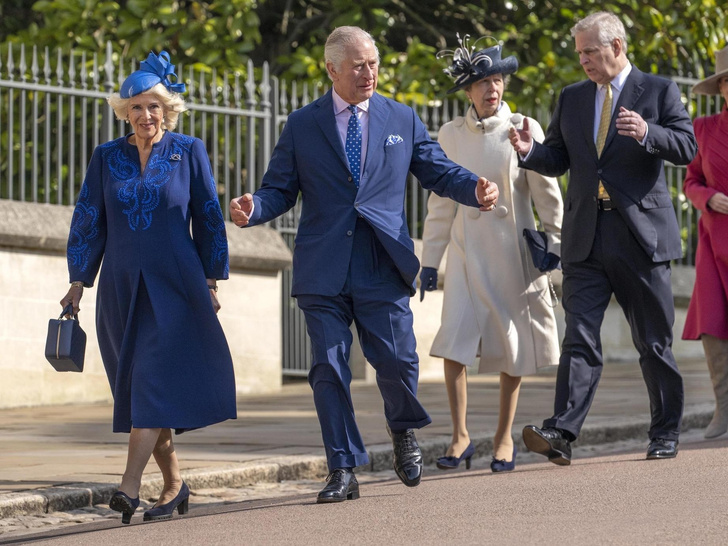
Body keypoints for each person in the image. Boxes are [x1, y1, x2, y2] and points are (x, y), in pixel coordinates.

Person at [229, 26, 499, 503]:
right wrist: (255, 208)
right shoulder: (302, 123)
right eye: (357, 65)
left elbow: (436, 168)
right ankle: (342, 467)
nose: (368, 72)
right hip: (323, 266)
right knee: (329, 368)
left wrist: (473, 189)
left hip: (382, 260)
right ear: (332, 69)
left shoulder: (401, 116)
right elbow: (279, 189)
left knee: (396, 362)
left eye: (373, 63)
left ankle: (402, 432)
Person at [509, 11, 697, 464]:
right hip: (585, 236)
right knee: (579, 338)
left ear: (616, 46)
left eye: (590, 51)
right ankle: (561, 433)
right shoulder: (572, 97)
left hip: (640, 236)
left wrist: (649, 132)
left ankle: (665, 431)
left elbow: (686, 146)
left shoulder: (658, 90)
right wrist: (529, 151)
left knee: (653, 341)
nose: (583, 61)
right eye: (579, 53)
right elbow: (558, 157)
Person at [60, 51, 237, 524]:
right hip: (120, 288)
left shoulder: (188, 151)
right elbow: (88, 220)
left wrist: (210, 277)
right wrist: (78, 281)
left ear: (168, 109)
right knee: (142, 392)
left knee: (153, 382)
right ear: (125, 112)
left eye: (154, 106)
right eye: (136, 107)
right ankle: (175, 486)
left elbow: (209, 217)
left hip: (176, 286)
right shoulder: (106, 157)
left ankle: (128, 487)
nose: (146, 115)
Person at [419, 38, 563, 473]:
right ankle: (460, 436)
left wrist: (554, 245)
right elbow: (440, 203)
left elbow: (548, 195)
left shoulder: (523, 126)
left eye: (497, 80)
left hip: (512, 255)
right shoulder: (449, 135)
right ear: (467, 90)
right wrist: (430, 260)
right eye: (482, 82)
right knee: (453, 344)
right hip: (465, 256)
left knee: (511, 347)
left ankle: (503, 438)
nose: (491, 88)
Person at [682, 45, 728, 439]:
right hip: (714, 241)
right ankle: (724, 411)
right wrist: (706, 197)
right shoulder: (704, 128)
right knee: (713, 324)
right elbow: (691, 179)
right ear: (721, 87)